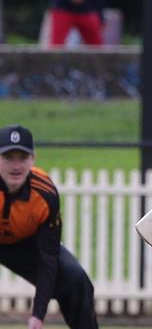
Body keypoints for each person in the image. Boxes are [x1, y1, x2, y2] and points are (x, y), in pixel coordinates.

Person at [0, 124, 98, 329]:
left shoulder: (45, 194)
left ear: (33, 159)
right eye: (8, 157)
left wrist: (38, 315)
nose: (16, 166)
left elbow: (48, 258)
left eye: (23, 157)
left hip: (26, 242)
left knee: (75, 279)